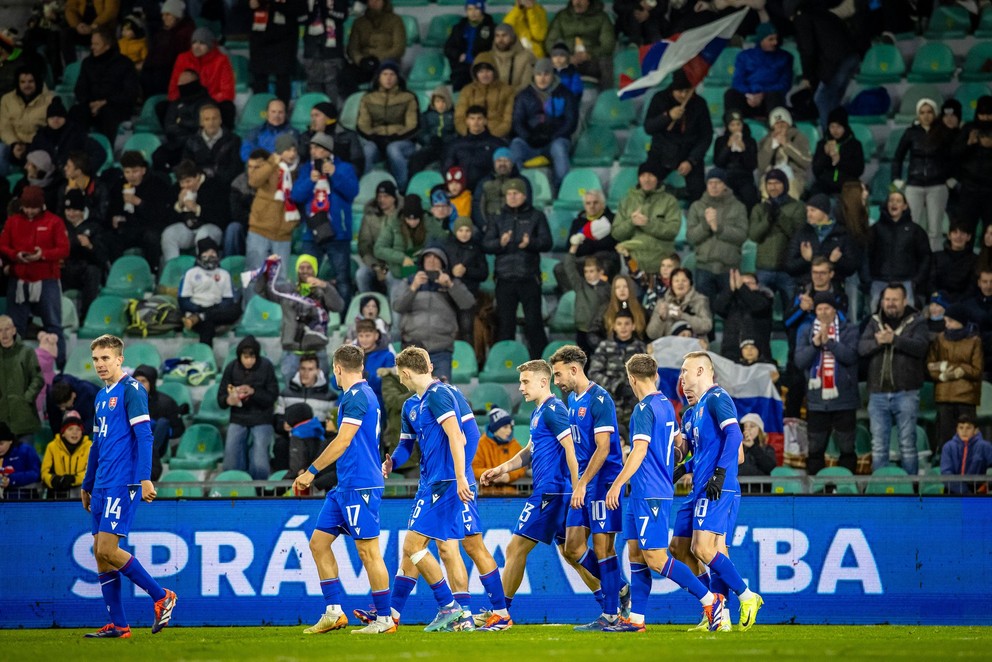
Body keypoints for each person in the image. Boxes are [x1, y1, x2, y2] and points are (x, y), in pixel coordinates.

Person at [600, 353, 724, 632]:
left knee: (656, 558)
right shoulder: (667, 404)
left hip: (650, 493)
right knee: (635, 554)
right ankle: (636, 620)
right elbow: (680, 444)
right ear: (654, 376)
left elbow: (640, 450)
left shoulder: (644, 409)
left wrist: (618, 483)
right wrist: (670, 460)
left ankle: (710, 600)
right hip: (644, 491)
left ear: (632, 378)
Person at [290, 345, 394, 634]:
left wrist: (311, 471)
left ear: (337, 368)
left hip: (360, 484)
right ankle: (334, 611)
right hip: (345, 485)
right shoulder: (360, 395)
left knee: (369, 553)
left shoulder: (357, 397)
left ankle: (384, 619)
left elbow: (343, 441)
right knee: (318, 544)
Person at [79, 334, 177, 638]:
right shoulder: (99, 396)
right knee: (99, 552)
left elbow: (145, 436)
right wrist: (87, 482)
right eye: (96, 359)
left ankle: (162, 596)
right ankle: (119, 625)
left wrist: (144, 478)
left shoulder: (133, 390)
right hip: (102, 483)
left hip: (124, 482)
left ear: (119, 359)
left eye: (105, 358)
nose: (100, 364)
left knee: (108, 547)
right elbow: (96, 443)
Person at [387, 347, 483, 631]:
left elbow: (458, 435)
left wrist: (462, 476)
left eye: (399, 375)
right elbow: (406, 446)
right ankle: (393, 613)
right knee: (420, 548)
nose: (400, 380)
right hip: (429, 484)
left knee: (420, 546)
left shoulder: (439, 395)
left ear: (404, 373)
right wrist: (392, 460)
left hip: (447, 483)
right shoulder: (410, 406)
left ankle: (450, 606)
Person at [480, 359, 580, 612]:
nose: (521, 387)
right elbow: (529, 451)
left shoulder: (553, 410)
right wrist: (502, 468)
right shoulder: (539, 411)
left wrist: (578, 486)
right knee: (572, 555)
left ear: (543, 382)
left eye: (525, 382)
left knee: (515, 548)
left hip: (552, 492)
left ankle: (500, 612)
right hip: (553, 491)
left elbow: (571, 449)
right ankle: (615, 599)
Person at [675, 351, 763, 629]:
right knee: (679, 547)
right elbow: (688, 452)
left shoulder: (717, 398)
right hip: (699, 488)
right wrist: (675, 465)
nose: (682, 378)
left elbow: (735, 438)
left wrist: (720, 474)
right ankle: (717, 609)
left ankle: (744, 597)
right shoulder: (691, 413)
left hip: (717, 488)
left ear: (702, 371)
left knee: (704, 548)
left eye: (685, 371)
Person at [548, 345, 627, 630]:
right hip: (583, 484)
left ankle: (611, 615)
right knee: (572, 548)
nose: (556, 382)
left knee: (604, 549)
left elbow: (604, 448)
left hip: (603, 483)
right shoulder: (572, 401)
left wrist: (582, 483)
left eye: (558, 375)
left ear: (574, 369)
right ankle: (619, 587)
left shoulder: (600, 399)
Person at [859, 283, 929, 476]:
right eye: (887, 300)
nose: (890, 304)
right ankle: (879, 490)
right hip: (878, 393)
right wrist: (877, 342)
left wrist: (895, 340)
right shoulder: (873, 321)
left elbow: (921, 347)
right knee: (879, 445)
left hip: (906, 392)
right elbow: (861, 348)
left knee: (907, 444)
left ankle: (912, 491)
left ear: (904, 301)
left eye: (894, 300)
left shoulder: (917, 321)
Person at [482, 178, 552, 358]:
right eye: (509, 194)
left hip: (529, 277)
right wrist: (501, 242)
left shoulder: (536, 216)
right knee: (505, 325)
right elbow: (486, 244)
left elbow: (547, 242)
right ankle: (507, 361)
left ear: (524, 195)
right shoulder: (497, 217)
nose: (512, 197)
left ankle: (542, 362)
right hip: (505, 278)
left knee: (534, 323)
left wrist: (531, 243)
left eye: (516, 193)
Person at [0, 185, 68, 368]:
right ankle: (12, 367)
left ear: (42, 205)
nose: (30, 211)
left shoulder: (54, 222)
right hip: (20, 279)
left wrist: (43, 254)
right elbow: (3, 245)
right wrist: (16, 255)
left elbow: (64, 249)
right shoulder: (13, 222)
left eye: (34, 207)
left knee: (53, 325)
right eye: (26, 207)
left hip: (46, 279)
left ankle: (61, 368)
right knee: (15, 327)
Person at [792, 291, 858, 475]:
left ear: (834, 310)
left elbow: (850, 356)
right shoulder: (805, 331)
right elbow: (800, 361)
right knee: (815, 451)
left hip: (844, 400)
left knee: (846, 449)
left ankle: (847, 491)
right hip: (817, 402)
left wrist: (830, 343)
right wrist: (815, 345)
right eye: (819, 308)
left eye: (827, 308)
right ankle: (816, 493)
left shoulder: (849, 330)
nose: (823, 312)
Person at [254, 253, 344, 385]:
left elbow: (338, 306)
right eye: (302, 267)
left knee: (319, 394)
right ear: (297, 270)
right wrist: (267, 269)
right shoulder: (286, 290)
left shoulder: (323, 290)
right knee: (290, 394)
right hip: (291, 353)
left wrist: (325, 286)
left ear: (315, 270)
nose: (305, 270)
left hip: (317, 352)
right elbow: (261, 290)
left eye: (309, 267)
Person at [292, 133, 359, 307]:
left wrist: (335, 174)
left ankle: (342, 317)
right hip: (312, 232)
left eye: (319, 148)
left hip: (338, 232)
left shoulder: (344, 168)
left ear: (328, 151)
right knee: (306, 277)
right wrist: (309, 181)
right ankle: (305, 312)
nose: (314, 152)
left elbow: (352, 192)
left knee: (342, 278)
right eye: (312, 148)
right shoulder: (307, 169)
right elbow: (296, 196)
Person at [392, 246, 475, 381]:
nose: (431, 261)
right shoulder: (409, 281)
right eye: (428, 257)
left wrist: (450, 285)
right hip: (413, 349)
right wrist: (413, 288)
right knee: (412, 395)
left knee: (441, 395)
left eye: (436, 258)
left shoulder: (451, 282)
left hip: (441, 349)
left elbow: (468, 303)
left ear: (443, 263)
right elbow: (397, 306)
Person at [892, 98, 954, 252]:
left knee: (935, 228)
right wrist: (896, 181)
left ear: (935, 113)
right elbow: (898, 157)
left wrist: (952, 178)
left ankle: (935, 260)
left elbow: (954, 157)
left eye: (929, 112)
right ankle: (912, 258)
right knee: (912, 225)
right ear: (918, 115)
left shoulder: (944, 132)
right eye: (922, 112)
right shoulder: (910, 133)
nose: (926, 116)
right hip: (914, 183)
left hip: (937, 184)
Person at [509, 58, 578, 189]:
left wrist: (554, 136)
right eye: (538, 74)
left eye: (546, 74)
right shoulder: (524, 95)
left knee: (559, 148)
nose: (542, 78)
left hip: (556, 140)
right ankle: (518, 186)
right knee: (516, 145)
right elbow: (517, 121)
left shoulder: (565, 94)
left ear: (553, 75)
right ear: (533, 76)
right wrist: (528, 137)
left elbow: (571, 122)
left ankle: (562, 189)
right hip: (531, 142)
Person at [643, 71, 711, 201]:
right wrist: (668, 117)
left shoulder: (699, 104)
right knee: (646, 186)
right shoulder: (659, 99)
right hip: (661, 153)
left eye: (687, 91)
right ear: (673, 89)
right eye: (680, 91)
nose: (684, 95)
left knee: (698, 192)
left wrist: (691, 160)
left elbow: (706, 136)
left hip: (689, 153)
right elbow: (648, 127)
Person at [218, 335, 279, 480]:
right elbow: (220, 398)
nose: (249, 361)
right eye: (245, 357)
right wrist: (229, 400)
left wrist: (254, 392)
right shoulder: (231, 367)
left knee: (259, 461)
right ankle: (235, 490)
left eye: (252, 357)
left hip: (262, 417)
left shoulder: (266, 367)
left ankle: (258, 494)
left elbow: (272, 396)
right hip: (238, 417)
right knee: (230, 458)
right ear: (240, 356)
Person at [686, 168, 749, 303]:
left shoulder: (738, 207)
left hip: (729, 269)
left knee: (730, 312)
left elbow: (742, 235)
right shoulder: (697, 207)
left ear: (725, 184)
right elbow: (691, 237)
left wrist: (718, 228)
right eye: (710, 183)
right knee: (704, 312)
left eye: (718, 182)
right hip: (704, 268)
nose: (714, 186)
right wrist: (706, 225)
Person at [927, 304, 983, 456]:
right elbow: (931, 366)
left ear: (961, 322)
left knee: (968, 441)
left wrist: (957, 370)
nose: (947, 324)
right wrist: (943, 373)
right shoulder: (940, 339)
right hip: (944, 397)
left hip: (966, 398)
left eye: (950, 321)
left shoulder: (974, 341)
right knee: (945, 441)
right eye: (946, 321)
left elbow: (977, 370)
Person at [611, 162, 682, 278]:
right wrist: (631, 222)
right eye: (643, 176)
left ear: (657, 179)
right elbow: (616, 234)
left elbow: (672, 231)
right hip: (633, 264)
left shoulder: (669, 201)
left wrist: (647, 224)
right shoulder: (627, 201)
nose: (646, 179)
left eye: (651, 176)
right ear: (638, 178)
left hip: (662, 266)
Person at [749, 169, 803, 312]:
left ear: (785, 185)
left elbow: (796, 233)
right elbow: (754, 235)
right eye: (770, 183)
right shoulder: (759, 209)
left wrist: (779, 215)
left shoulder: (797, 207)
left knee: (792, 312)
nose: (773, 187)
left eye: (777, 183)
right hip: (763, 269)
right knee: (760, 313)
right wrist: (768, 219)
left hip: (788, 270)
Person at [867, 191, 931, 310]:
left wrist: (916, 280)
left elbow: (925, 257)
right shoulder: (875, 229)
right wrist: (869, 279)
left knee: (909, 317)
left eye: (898, 201)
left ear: (905, 206)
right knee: (874, 315)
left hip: (906, 281)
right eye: (891, 200)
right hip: (879, 280)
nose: (894, 203)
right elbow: (866, 255)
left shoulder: (916, 230)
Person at [71, 31, 139, 140]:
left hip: (115, 106)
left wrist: (105, 102)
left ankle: (107, 151)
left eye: (96, 44)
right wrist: (90, 104)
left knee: (108, 114)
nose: (92, 47)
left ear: (107, 46)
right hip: (91, 105)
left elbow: (130, 92)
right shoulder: (87, 63)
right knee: (76, 112)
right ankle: (78, 149)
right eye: (92, 44)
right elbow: (80, 88)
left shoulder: (124, 63)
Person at [588, 310, 647, 436]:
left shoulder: (641, 348)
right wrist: (616, 386)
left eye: (627, 323)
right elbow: (593, 374)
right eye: (619, 324)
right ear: (614, 326)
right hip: (610, 403)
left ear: (633, 326)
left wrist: (635, 389)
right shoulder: (604, 347)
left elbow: (647, 375)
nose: (623, 327)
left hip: (634, 403)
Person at [108, 151, 171, 268]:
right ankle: (117, 271)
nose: (131, 175)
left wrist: (139, 203)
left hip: (150, 226)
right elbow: (113, 208)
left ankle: (152, 272)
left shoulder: (157, 184)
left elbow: (160, 214)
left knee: (151, 237)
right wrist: (114, 217)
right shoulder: (118, 185)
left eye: (135, 171)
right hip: (128, 227)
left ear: (143, 170)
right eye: (127, 172)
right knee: (110, 239)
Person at [244, 149, 297, 281]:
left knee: (281, 278)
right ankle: (251, 303)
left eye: (293, 149)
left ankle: (278, 303)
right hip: (259, 229)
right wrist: (271, 162)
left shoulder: (295, 170)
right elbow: (254, 181)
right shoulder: (269, 167)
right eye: (251, 167)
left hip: (283, 233)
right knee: (254, 274)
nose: (253, 171)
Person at [161, 159, 228, 263]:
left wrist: (196, 209)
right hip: (188, 229)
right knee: (169, 235)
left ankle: (204, 272)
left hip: (211, 228)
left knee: (202, 237)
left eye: (188, 181)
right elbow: (168, 218)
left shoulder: (214, 186)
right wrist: (179, 205)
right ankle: (174, 271)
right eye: (182, 182)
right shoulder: (177, 190)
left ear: (197, 176)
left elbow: (220, 216)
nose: (185, 186)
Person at [177, 237, 240, 345]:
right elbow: (183, 301)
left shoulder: (224, 274)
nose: (210, 256)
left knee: (236, 310)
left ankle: (202, 316)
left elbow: (228, 300)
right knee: (207, 325)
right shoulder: (191, 273)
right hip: (196, 309)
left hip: (217, 310)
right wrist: (199, 308)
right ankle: (204, 358)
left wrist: (210, 310)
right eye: (206, 253)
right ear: (200, 255)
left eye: (213, 253)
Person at [785, 193, 858, 284]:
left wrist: (837, 261)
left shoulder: (842, 234)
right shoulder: (801, 233)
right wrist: (805, 260)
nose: (809, 214)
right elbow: (789, 267)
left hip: (833, 289)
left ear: (825, 212)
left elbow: (851, 268)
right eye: (807, 211)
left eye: (813, 210)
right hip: (805, 287)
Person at [724, 22, 792, 120]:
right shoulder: (744, 56)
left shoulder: (785, 57)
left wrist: (762, 94)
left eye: (776, 38)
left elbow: (785, 84)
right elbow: (737, 81)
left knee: (775, 95)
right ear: (761, 40)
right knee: (731, 94)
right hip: (749, 99)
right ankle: (733, 130)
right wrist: (750, 95)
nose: (775, 42)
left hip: (769, 100)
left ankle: (776, 131)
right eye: (771, 39)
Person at [544, 0, 616, 90]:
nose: (577, 2)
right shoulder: (562, 16)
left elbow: (608, 44)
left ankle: (607, 99)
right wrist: (565, 57)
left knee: (606, 61)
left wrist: (590, 54)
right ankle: (551, 100)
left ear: (588, 1)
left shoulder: (602, 17)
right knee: (546, 63)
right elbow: (550, 42)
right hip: (567, 60)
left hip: (591, 61)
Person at [61, 188, 109, 320]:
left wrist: (90, 246)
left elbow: (103, 257)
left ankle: (87, 316)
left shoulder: (95, 226)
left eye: (75, 210)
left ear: (83, 210)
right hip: (66, 269)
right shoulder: (60, 226)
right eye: (68, 210)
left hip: (85, 270)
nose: (71, 214)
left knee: (93, 271)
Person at [131, 365, 185, 480]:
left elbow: (179, 429)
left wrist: (166, 432)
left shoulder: (166, 402)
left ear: (151, 383)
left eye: (143, 381)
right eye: (136, 381)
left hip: (157, 445)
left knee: (161, 423)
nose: (139, 385)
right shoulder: (126, 402)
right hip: (132, 443)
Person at [342, 0, 406, 98]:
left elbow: (399, 48)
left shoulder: (396, 21)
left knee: (386, 75)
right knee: (345, 75)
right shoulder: (359, 22)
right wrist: (361, 60)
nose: (374, 2)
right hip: (365, 63)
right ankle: (357, 103)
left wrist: (378, 59)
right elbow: (352, 48)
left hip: (387, 62)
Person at [949, 99, 992, 237]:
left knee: (990, 231)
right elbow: (954, 154)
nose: (985, 118)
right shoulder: (969, 129)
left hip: (990, 190)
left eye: (989, 115)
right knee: (966, 229)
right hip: (969, 189)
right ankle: (965, 259)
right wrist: (969, 143)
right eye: (982, 114)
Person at [246, 0, 304, 102]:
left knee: (282, 80)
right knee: (259, 80)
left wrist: (273, 3)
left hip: (284, 41)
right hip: (259, 40)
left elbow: (300, 10)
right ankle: (260, 111)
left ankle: (281, 113)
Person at [443, 105, 509, 194]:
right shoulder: (456, 145)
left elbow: (506, 169)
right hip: (461, 191)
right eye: (472, 118)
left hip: (488, 191)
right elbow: (448, 169)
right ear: (467, 121)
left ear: (485, 121)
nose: (475, 122)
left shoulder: (497, 144)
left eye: (479, 118)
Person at [0, 67, 52, 176]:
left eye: (30, 81)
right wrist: (14, 144)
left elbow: (51, 128)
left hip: (38, 145)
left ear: (37, 81)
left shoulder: (50, 99)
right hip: (14, 144)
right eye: (23, 82)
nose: (26, 85)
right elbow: (4, 126)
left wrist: (30, 145)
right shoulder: (7, 99)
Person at [0, 315, 44, 440]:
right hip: (2, 422)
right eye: (0, 330)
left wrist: (26, 399)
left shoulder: (27, 352)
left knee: (26, 457)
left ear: (14, 330)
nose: (4, 334)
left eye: (7, 329)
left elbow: (38, 378)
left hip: (24, 418)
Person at [713, 270, 773, 361]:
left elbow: (758, 306)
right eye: (742, 283)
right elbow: (718, 308)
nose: (745, 286)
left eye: (749, 283)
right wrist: (730, 289)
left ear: (757, 285)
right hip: (731, 353)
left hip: (759, 355)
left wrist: (741, 287)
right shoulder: (731, 300)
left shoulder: (765, 298)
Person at [139, 0, 195, 98]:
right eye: (163, 15)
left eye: (168, 15)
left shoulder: (185, 33)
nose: (164, 18)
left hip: (172, 70)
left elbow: (173, 57)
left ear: (177, 16)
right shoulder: (163, 32)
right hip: (157, 68)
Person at [454, 54, 515, 140]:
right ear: (475, 74)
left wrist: (493, 136)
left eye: (488, 71)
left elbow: (508, 120)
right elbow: (459, 118)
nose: (484, 75)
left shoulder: (507, 91)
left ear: (494, 71)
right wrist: (469, 132)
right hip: (471, 135)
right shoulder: (467, 90)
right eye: (481, 72)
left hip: (498, 136)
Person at [182, 103, 242, 188]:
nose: (211, 122)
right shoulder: (192, 141)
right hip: (199, 184)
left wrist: (218, 181)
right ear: (201, 122)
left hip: (224, 185)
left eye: (215, 118)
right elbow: (187, 166)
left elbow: (235, 168)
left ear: (220, 120)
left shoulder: (233, 140)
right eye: (207, 119)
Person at [756, 107, 811, 198]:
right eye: (777, 123)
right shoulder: (766, 140)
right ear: (772, 126)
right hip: (771, 176)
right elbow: (761, 166)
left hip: (794, 177)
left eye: (783, 123)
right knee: (766, 188)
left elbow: (806, 162)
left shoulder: (799, 137)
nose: (780, 126)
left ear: (788, 124)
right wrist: (772, 144)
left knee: (791, 190)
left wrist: (787, 145)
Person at [406, 86, 457, 182]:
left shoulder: (454, 115)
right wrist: (430, 139)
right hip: (430, 145)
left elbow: (457, 133)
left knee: (449, 161)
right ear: (433, 102)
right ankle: (414, 183)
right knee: (416, 159)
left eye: (443, 101)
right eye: (437, 101)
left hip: (448, 146)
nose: (440, 105)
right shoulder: (426, 115)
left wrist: (445, 140)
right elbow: (421, 133)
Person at [301, 0, 348, 105]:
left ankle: (332, 115)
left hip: (332, 49)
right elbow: (300, 18)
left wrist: (325, 9)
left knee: (332, 84)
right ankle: (316, 115)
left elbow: (342, 16)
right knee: (313, 84)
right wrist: (313, 9)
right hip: (312, 49)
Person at [645, 268, 712, 341]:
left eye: (684, 281)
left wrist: (682, 316)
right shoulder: (662, 303)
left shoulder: (700, 300)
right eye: (676, 281)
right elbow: (652, 334)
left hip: (694, 345)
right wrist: (661, 319)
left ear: (690, 283)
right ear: (671, 284)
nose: (680, 284)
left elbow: (707, 326)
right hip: (669, 347)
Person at [445, 0, 497, 91]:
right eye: (469, 9)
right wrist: (458, 54)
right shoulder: (459, 28)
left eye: (476, 9)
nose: (473, 12)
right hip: (462, 68)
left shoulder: (491, 27)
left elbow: (496, 49)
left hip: (483, 67)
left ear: (482, 10)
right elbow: (448, 48)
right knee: (459, 83)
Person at [811, 107, 864, 196]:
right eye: (832, 126)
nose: (835, 131)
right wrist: (825, 155)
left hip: (847, 183)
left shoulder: (854, 144)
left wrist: (839, 160)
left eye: (838, 127)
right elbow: (816, 170)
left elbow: (858, 170)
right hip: (825, 183)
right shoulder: (822, 144)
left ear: (845, 127)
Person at [712, 111, 759, 211]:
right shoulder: (720, 141)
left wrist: (744, 150)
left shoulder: (750, 141)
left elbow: (752, 165)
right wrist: (727, 147)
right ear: (727, 126)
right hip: (726, 177)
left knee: (751, 199)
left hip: (745, 178)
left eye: (738, 124)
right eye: (732, 125)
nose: (736, 128)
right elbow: (718, 163)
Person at [473, 407, 527, 494]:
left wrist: (508, 476)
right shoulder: (481, 444)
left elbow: (522, 466)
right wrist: (491, 474)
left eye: (510, 427)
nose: (509, 431)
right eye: (505, 427)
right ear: (495, 429)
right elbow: (474, 468)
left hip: (511, 494)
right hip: (485, 495)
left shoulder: (514, 444)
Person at [41, 409, 92, 497]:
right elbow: (45, 472)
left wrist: (74, 479)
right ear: (63, 433)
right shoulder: (52, 446)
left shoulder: (89, 446)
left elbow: (91, 471)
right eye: (70, 429)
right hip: (57, 491)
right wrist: (53, 480)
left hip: (82, 493)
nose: (75, 432)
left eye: (78, 429)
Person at [275, 353, 338, 425]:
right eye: (303, 368)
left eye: (310, 369)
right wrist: (283, 426)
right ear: (298, 369)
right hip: (289, 435)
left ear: (317, 371)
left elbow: (333, 426)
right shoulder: (285, 394)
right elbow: (277, 418)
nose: (306, 373)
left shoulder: (330, 397)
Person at [941, 414, 992, 495]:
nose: (964, 431)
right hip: (952, 491)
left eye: (968, 428)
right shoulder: (948, 447)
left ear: (976, 430)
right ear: (957, 430)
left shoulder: (984, 446)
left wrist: (988, 485)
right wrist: (966, 493)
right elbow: (946, 474)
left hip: (977, 491)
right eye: (961, 428)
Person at [239, 99, 299, 163]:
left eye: (280, 112)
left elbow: (293, 155)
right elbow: (245, 153)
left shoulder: (293, 133)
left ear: (285, 114)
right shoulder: (255, 132)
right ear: (267, 113)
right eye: (273, 112)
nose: (276, 115)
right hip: (260, 168)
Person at [930, 222, 977, 303]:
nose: (958, 236)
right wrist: (939, 299)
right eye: (955, 232)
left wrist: (957, 302)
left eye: (962, 233)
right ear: (949, 235)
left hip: (962, 304)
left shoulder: (975, 260)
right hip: (937, 301)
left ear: (968, 237)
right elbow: (931, 283)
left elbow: (971, 288)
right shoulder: (936, 257)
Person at [487, 23, 536, 93]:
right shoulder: (488, 56)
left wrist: (506, 94)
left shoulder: (527, 57)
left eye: (504, 35)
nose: (500, 40)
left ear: (512, 37)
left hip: (517, 99)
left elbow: (526, 85)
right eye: (497, 36)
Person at [0, 420, 41, 499]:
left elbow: (35, 473)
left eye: (1, 444)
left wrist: (11, 480)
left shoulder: (25, 451)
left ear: (10, 441)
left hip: (24, 500)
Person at [738, 412, 776, 478]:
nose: (748, 429)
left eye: (752, 426)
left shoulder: (767, 449)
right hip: (740, 487)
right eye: (745, 426)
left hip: (759, 487)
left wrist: (753, 447)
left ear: (759, 430)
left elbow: (769, 466)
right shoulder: (738, 448)